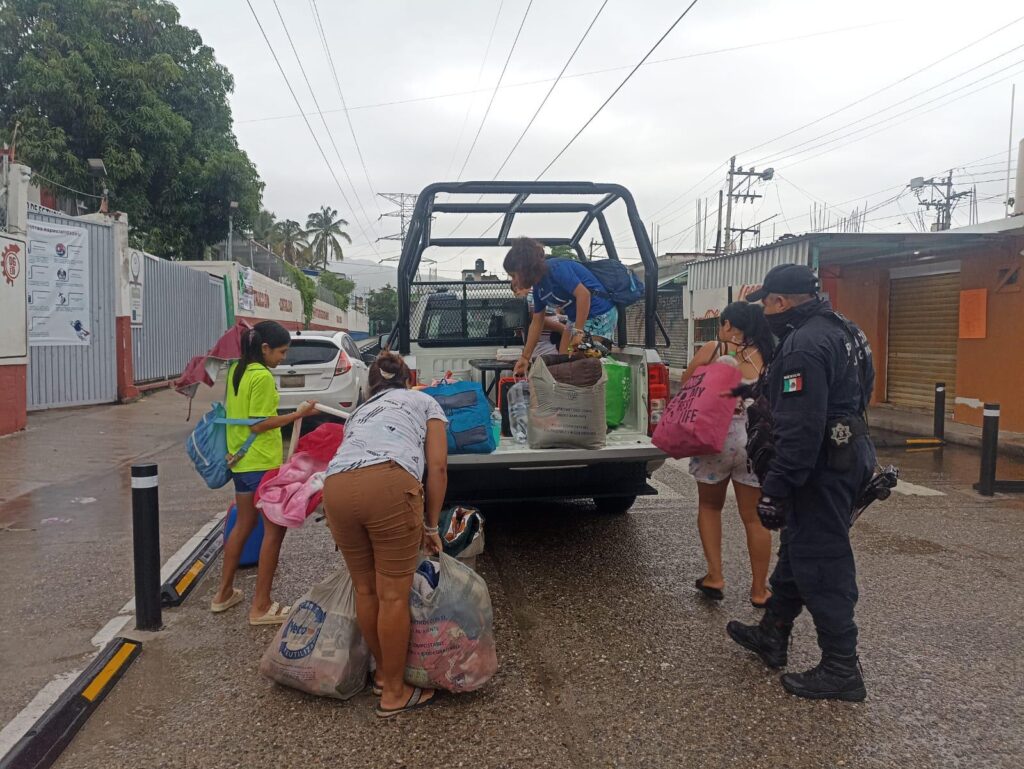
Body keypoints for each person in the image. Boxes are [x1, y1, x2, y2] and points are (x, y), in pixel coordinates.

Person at [725, 264, 876, 702]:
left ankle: (841, 668)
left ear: (781, 301)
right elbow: (858, 391)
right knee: (798, 548)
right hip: (848, 449)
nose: (766, 313)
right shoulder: (846, 329)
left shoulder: (804, 345)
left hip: (820, 465)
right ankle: (772, 632)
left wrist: (776, 488)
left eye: (768, 304)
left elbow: (800, 427)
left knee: (823, 558)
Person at [322, 351, 448, 718]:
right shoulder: (424, 401)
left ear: (371, 385)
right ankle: (394, 691)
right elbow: (438, 467)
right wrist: (431, 525)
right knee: (393, 594)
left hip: (335, 486)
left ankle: (382, 675)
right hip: (389, 482)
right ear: (408, 380)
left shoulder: (359, 412)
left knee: (366, 589)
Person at [211, 321, 316, 624]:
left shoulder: (237, 370)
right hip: (260, 462)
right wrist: (298, 414)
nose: (284, 358)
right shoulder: (262, 377)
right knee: (274, 531)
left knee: (244, 524)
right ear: (265, 348)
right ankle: (261, 607)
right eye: (281, 352)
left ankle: (223, 594)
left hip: (240, 461)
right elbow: (259, 424)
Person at [683, 301, 774, 608]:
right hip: (755, 442)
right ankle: (759, 590)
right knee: (755, 518)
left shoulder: (714, 349)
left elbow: (687, 386)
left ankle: (715, 576)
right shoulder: (768, 356)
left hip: (715, 438)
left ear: (729, 325)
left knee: (710, 506)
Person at [504, 237, 617, 376]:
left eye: (513, 275)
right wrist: (525, 357)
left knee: (582, 363)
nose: (514, 281)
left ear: (524, 269)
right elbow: (537, 322)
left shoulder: (556, 269)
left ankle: (594, 384)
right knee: (564, 360)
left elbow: (584, 295)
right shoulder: (539, 288)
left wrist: (578, 333)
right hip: (575, 317)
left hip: (599, 312)